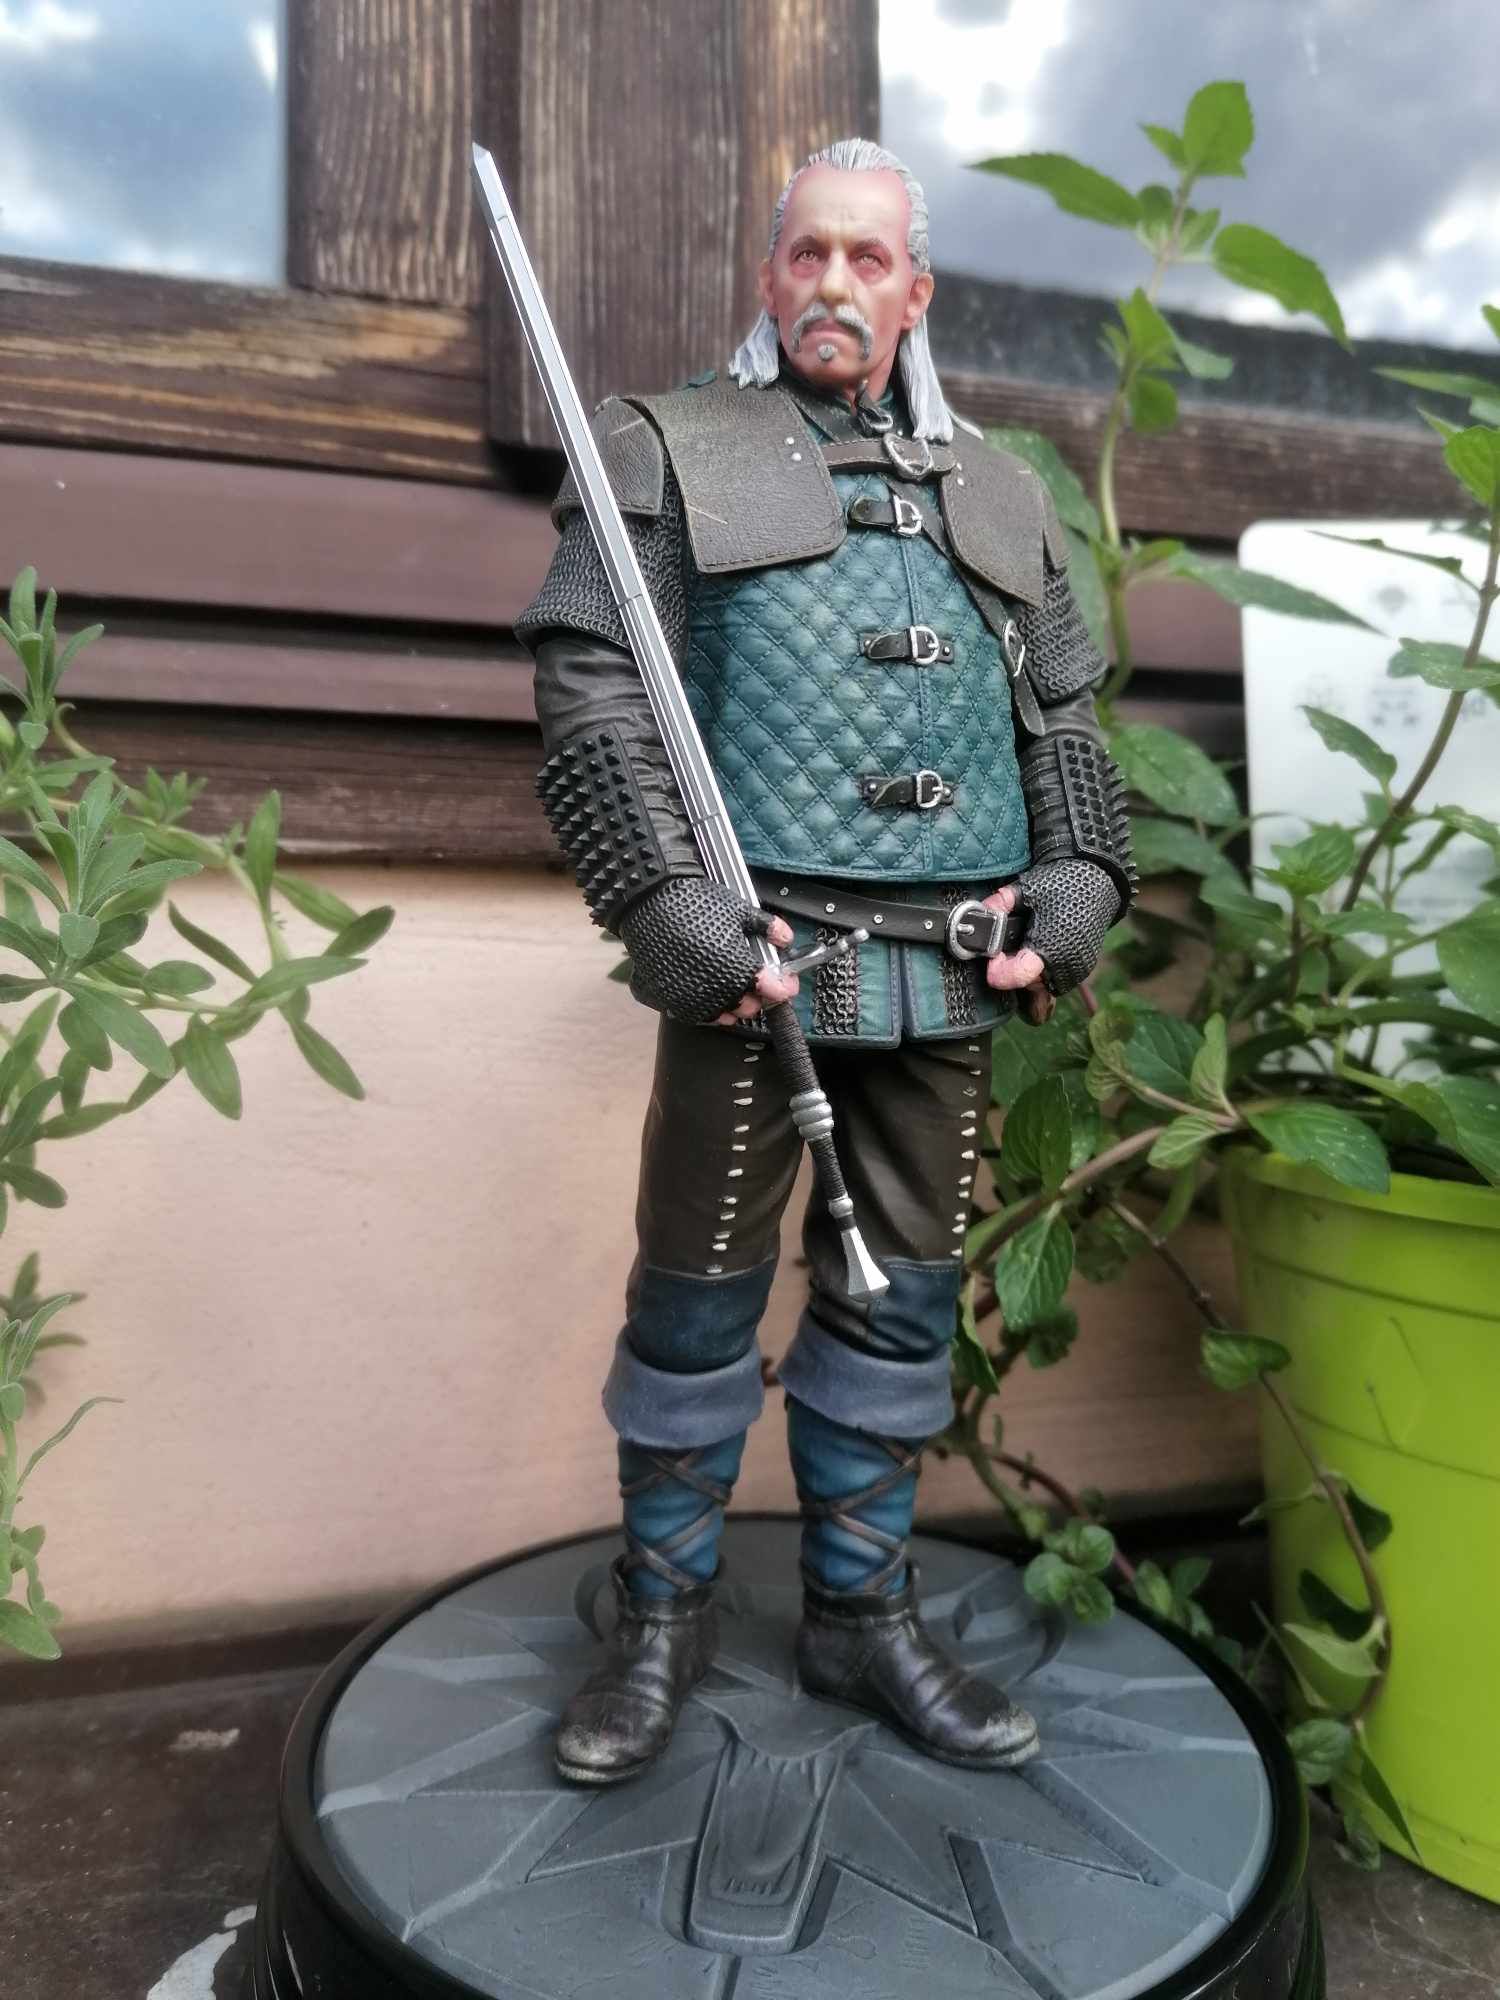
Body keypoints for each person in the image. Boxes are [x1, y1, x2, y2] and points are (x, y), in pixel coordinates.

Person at [516, 137, 1135, 1788]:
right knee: (697, 1297)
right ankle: (661, 1615)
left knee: (902, 1297)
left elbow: (1062, 723)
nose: (836, 285)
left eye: (869, 260)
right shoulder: (668, 447)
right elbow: (596, 689)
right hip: (759, 956)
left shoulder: (1002, 492)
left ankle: (860, 1613)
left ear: (914, 291)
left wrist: (1078, 877)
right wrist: (668, 908)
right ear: (769, 274)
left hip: (951, 964)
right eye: (810, 254)